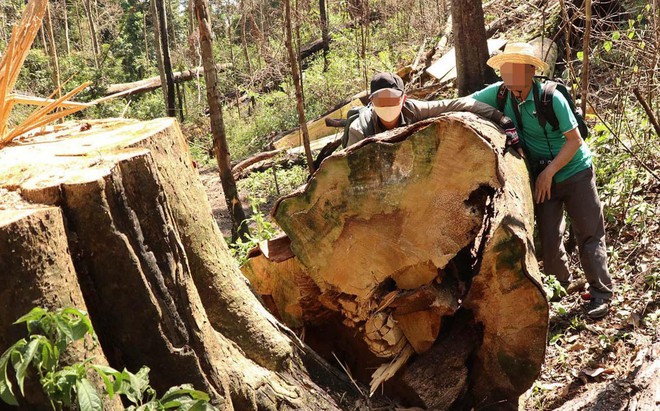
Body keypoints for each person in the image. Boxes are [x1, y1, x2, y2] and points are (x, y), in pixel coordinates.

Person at [470, 42, 613, 319]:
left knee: (589, 234)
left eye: (515, 69)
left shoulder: (551, 97)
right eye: (505, 69)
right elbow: (465, 101)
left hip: (575, 172)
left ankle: (601, 294)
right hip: (543, 178)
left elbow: (574, 141)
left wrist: (549, 173)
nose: (509, 75)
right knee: (548, 239)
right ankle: (561, 288)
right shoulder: (499, 95)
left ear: (531, 71)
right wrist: (407, 109)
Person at [346, 72, 514, 146]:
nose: (387, 105)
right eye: (381, 100)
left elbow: (458, 104)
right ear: (371, 102)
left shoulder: (414, 110)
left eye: (392, 98)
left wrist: (499, 118)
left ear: (404, 99)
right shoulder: (359, 131)